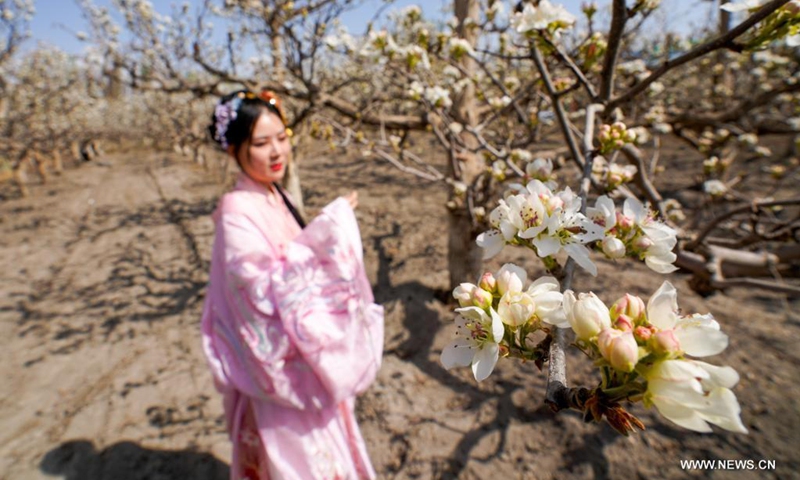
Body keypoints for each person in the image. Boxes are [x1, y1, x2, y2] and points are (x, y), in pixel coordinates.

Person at [201, 89, 384, 480]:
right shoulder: (237, 212)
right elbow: (258, 293)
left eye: (282, 138)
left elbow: (290, 258)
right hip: (279, 380)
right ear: (234, 150)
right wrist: (330, 231)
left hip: (303, 363)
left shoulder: (275, 193)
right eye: (261, 143)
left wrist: (324, 230)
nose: (276, 152)